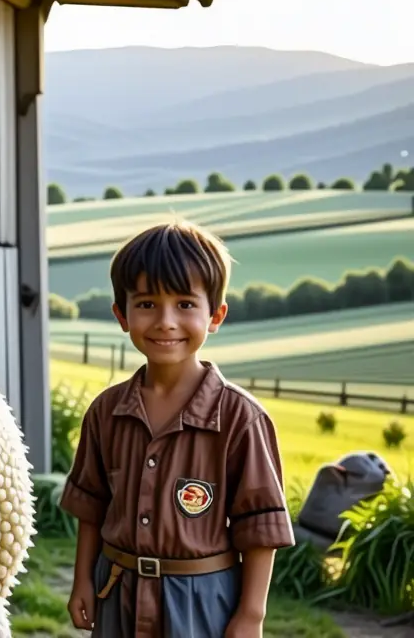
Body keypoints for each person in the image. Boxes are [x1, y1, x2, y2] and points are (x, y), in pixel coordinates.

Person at [59, 219, 295, 638]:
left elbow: (259, 529)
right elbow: (92, 508)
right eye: (147, 304)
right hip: (117, 592)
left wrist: (251, 615)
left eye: (185, 304)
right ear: (121, 314)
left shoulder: (241, 419)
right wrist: (82, 580)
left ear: (216, 314)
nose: (165, 321)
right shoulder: (105, 412)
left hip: (202, 602)